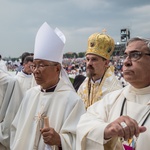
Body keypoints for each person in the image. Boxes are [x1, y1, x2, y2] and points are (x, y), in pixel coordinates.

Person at [10, 22, 85, 150]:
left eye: (42, 65)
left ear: (57, 68)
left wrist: (60, 140)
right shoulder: (30, 95)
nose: (36, 70)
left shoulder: (72, 101)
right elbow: (15, 130)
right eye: (34, 65)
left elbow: (80, 140)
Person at [76, 37, 150, 150]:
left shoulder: (113, 88)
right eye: (125, 55)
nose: (126, 61)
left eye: (135, 55)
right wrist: (106, 130)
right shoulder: (113, 99)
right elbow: (84, 124)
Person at [77, 32, 122, 109]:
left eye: (94, 59)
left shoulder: (115, 90)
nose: (89, 63)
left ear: (106, 63)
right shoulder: (83, 86)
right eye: (87, 59)